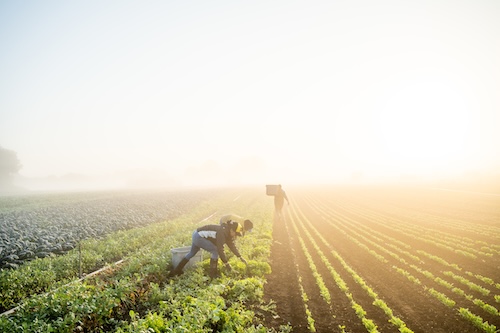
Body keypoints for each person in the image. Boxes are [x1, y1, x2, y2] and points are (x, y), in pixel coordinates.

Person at [169, 220, 253, 278]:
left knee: (192, 253)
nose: (235, 235)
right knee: (215, 250)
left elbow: (232, 246)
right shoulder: (222, 233)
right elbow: (220, 249)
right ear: (231, 230)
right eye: (235, 233)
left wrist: (240, 257)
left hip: (196, 234)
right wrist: (227, 264)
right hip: (199, 237)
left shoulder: (227, 233)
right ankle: (213, 274)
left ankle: (176, 271)